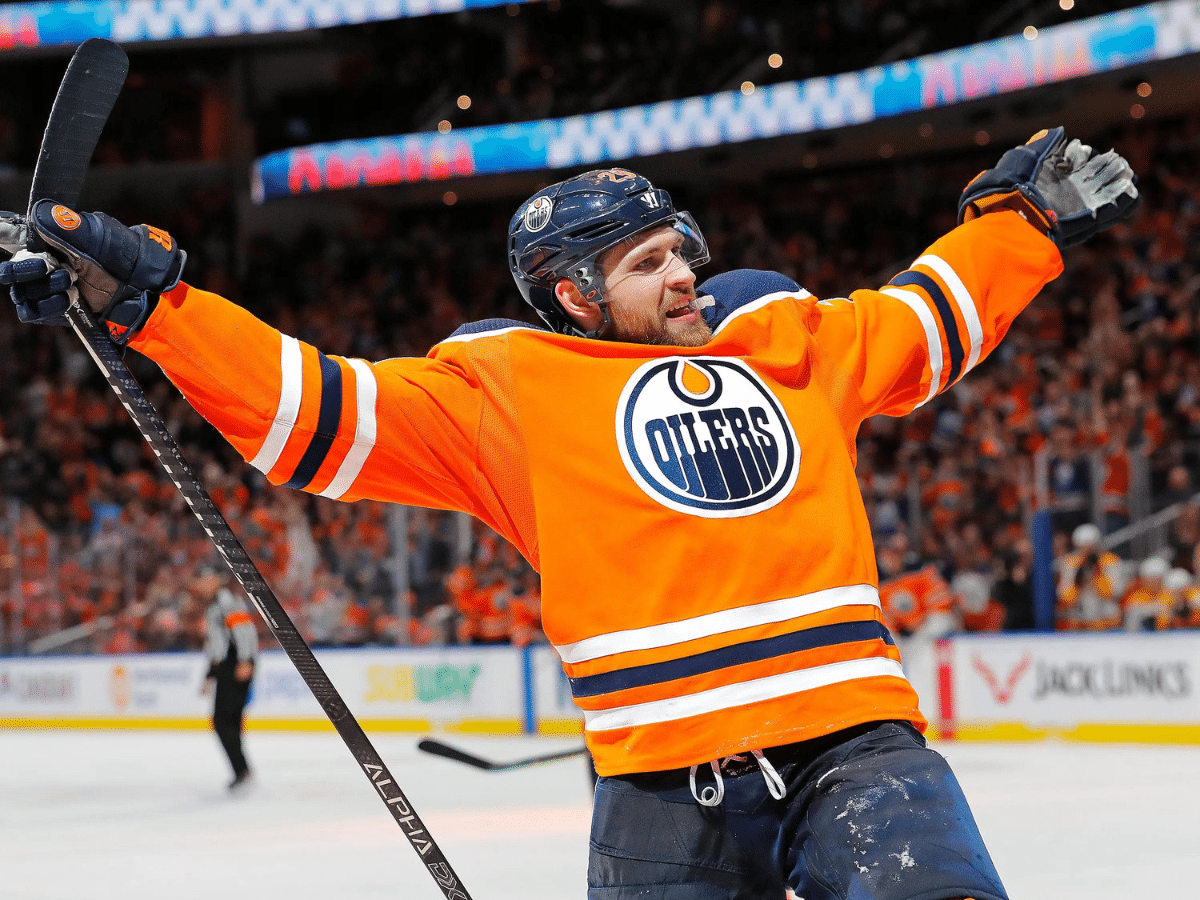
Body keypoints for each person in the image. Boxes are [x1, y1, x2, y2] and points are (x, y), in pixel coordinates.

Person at [2, 127, 1137, 900]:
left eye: (685, 250)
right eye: (651, 264)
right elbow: (312, 406)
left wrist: (1020, 224)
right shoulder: (509, 393)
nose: (688, 274)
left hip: (856, 753)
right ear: (574, 296)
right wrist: (149, 303)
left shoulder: (788, 344)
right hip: (653, 783)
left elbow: (928, 313)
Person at [198, 567, 258, 790]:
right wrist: (210, 674)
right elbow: (216, 645)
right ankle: (241, 770)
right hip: (228, 665)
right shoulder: (216, 604)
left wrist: (245, 660)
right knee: (226, 721)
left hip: (235, 664)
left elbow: (244, 631)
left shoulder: (226, 602)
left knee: (225, 721)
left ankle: (241, 770)